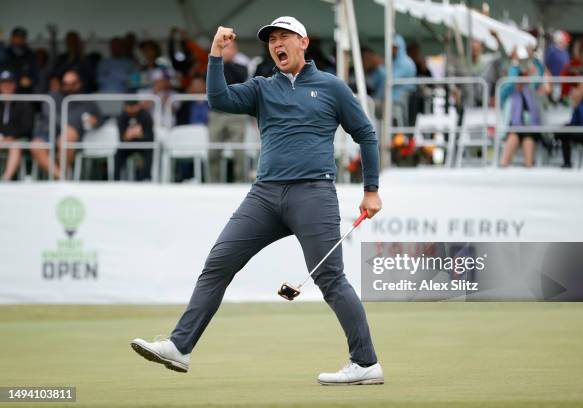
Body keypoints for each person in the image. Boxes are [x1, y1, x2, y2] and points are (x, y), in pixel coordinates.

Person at [131, 16, 384, 386]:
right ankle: (180, 347)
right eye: (271, 40)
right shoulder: (263, 87)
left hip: (313, 193)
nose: (277, 44)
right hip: (264, 196)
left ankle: (365, 363)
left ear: (303, 42)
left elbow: (365, 134)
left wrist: (371, 189)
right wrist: (216, 54)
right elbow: (219, 99)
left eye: (284, 37)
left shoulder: (331, 87)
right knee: (218, 263)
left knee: (330, 279)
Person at [31, 70, 101, 179]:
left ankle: (61, 177)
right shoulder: (52, 96)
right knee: (36, 145)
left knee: (67, 137)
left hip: (71, 137)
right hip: (48, 132)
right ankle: (62, 177)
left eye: (72, 84)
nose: (68, 87)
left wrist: (95, 121)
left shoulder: (87, 101)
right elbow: (49, 114)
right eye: (65, 84)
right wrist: (65, 126)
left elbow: (100, 119)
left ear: (79, 83)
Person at [207, 39, 248, 182]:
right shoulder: (214, 68)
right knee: (213, 152)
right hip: (216, 114)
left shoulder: (241, 67)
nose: (227, 51)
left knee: (239, 152)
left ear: (235, 51)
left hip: (236, 114)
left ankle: (241, 182)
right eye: (224, 48)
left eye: (230, 48)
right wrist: (220, 61)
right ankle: (213, 183)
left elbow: (240, 78)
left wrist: (227, 62)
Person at [0, 70, 34, 181]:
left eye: (9, 83)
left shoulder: (23, 102)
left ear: (14, 85)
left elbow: (27, 127)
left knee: (15, 146)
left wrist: (11, 137)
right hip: (1, 139)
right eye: (4, 83)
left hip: (18, 139)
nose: (6, 86)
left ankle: (6, 180)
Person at [115, 101, 154, 180]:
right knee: (118, 153)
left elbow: (150, 136)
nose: (131, 109)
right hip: (128, 145)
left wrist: (140, 135)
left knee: (149, 151)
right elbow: (121, 137)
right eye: (129, 106)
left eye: (133, 106)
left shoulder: (145, 115)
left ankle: (146, 178)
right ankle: (116, 179)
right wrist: (127, 136)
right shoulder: (122, 116)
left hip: (143, 145)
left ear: (138, 106)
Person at [0, 27, 38, 93]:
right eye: (17, 37)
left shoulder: (30, 54)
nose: (19, 40)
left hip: (24, 93)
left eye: (22, 37)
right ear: (12, 38)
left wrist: (30, 80)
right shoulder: (5, 53)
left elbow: (36, 75)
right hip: (6, 91)